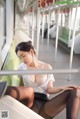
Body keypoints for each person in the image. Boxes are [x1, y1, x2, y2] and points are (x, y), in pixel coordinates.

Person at [15, 41, 80, 119]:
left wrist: (62, 87)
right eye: (19, 58)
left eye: (23, 56)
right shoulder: (21, 68)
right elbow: (21, 88)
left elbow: (49, 90)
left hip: (43, 103)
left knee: (74, 91)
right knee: (28, 90)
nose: (22, 60)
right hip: (29, 102)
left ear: (31, 52)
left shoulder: (46, 67)